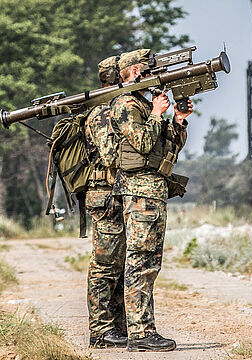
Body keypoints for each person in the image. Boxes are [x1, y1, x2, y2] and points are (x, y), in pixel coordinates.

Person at [109, 48, 193, 352]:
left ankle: (142, 331)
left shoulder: (143, 105)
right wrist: (157, 113)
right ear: (135, 73)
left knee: (149, 262)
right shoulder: (125, 105)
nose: (154, 76)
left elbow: (168, 147)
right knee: (140, 262)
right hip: (140, 193)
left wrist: (179, 120)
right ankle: (141, 333)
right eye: (148, 70)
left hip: (153, 192)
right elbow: (142, 143)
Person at [85, 55, 127, 348]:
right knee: (104, 266)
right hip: (105, 196)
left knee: (122, 265)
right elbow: (112, 156)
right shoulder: (101, 114)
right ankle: (100, 331)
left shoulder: (120, 110)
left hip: (120, 195)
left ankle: (119, 328)